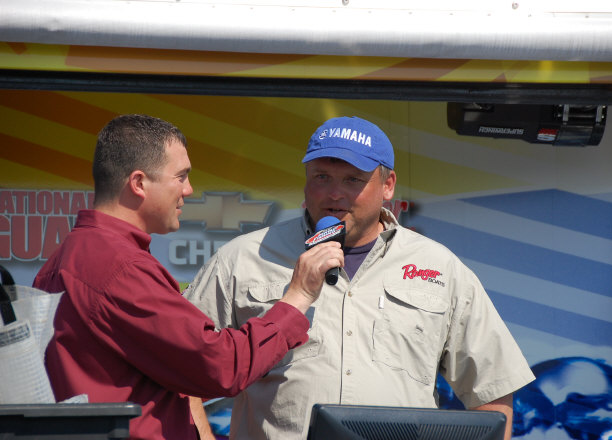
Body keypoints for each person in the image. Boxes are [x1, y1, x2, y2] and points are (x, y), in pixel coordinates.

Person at [185, 116, 536, 440]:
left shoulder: (440, 267)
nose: (334, 193)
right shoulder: (243, 258)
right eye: (322, 177)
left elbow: (492, 391)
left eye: (353, 180)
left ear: (388, 185)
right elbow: (178, 369)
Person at [33, 114, 343, 440]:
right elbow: (221, 366)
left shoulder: (67, 257)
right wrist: (297, 298)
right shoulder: (118, 268)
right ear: (138, 183)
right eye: (180, 177)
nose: (189, 189)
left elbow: (177, 369)